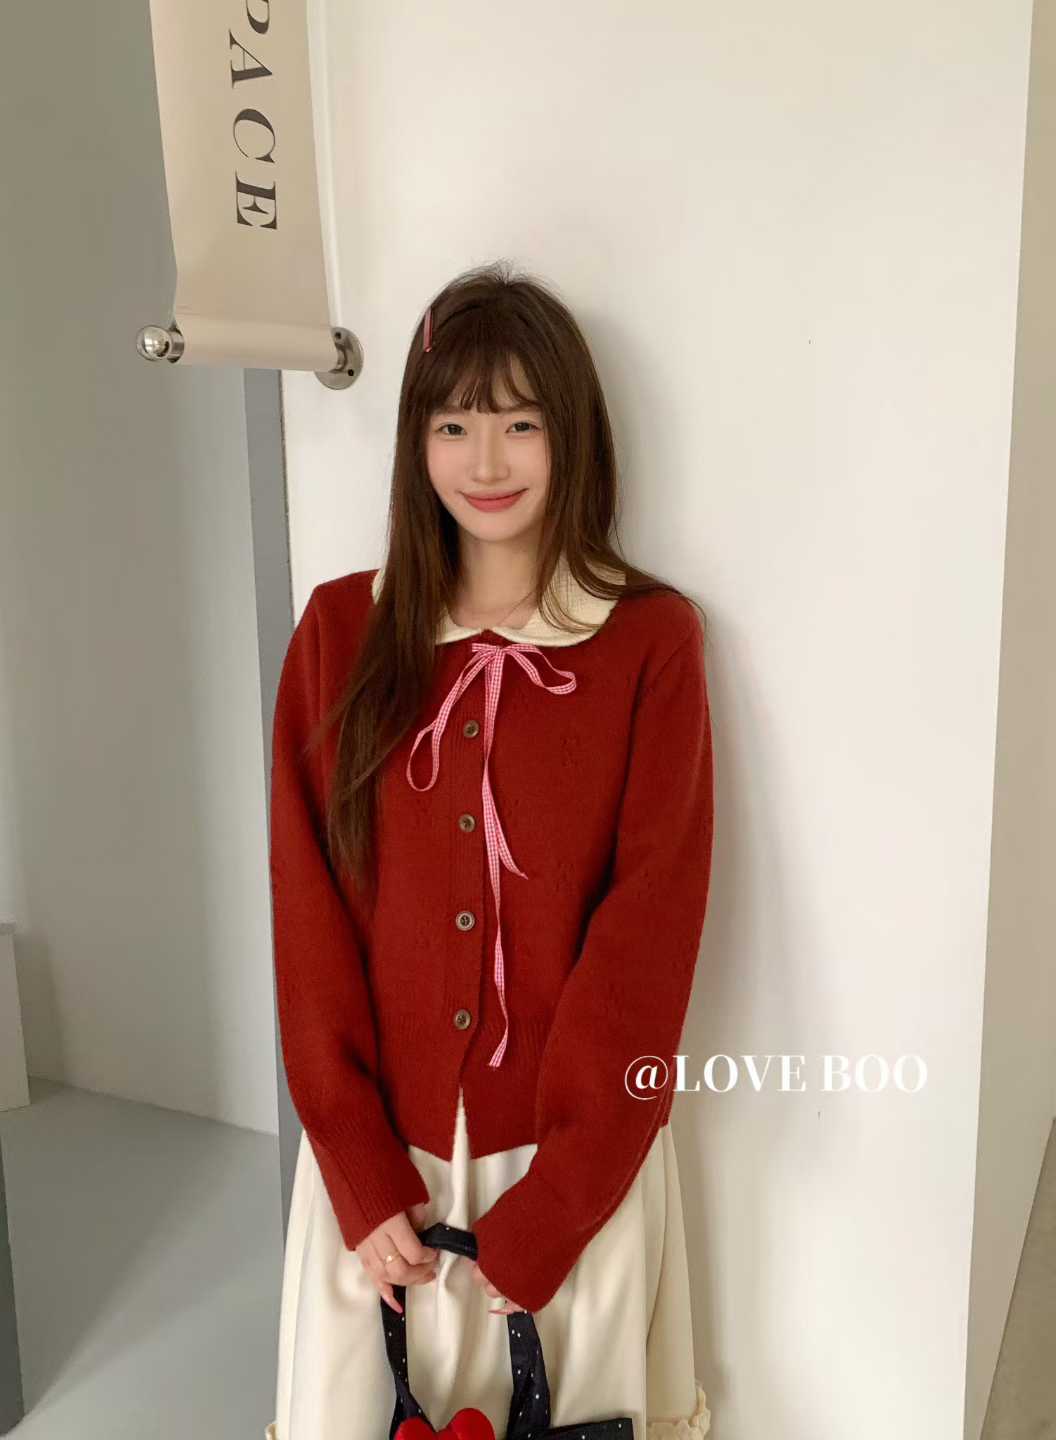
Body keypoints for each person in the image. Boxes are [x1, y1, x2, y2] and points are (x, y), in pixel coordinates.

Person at [264, 261, 715, 1440]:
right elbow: (307, 914)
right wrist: (360, 1174)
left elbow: (651, 924)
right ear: (416, 443)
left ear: (572, 436)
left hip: (574, 1170)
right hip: (383, 1182)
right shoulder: (340, 632)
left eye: (521, 423)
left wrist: (561, 1204)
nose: (486, 460)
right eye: (454, 425)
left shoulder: (650, 643)